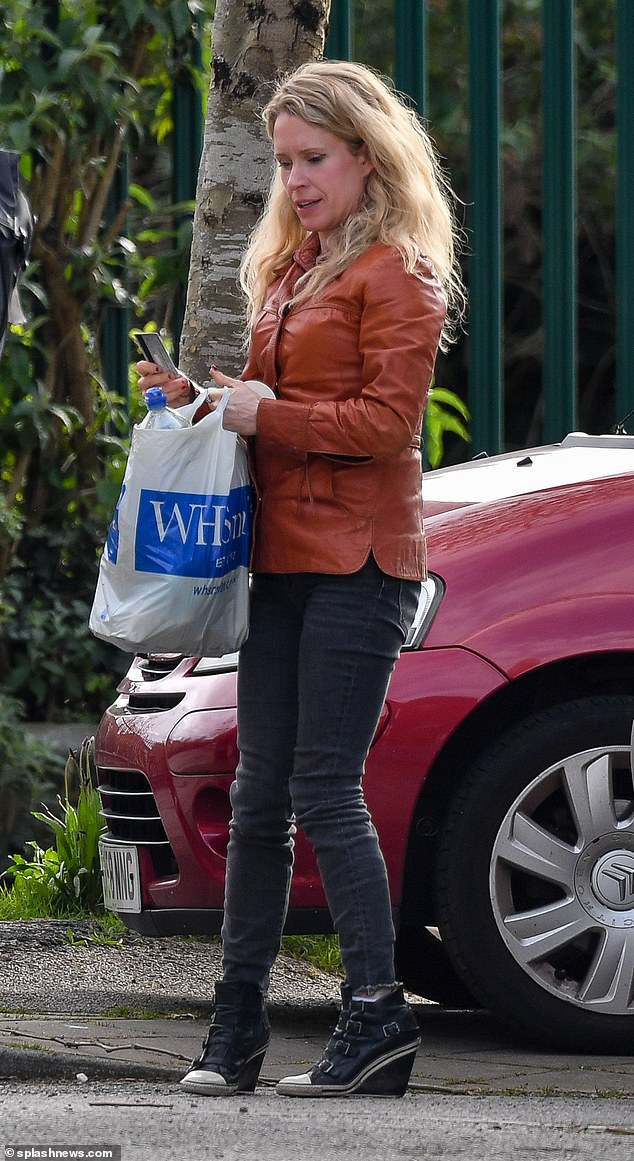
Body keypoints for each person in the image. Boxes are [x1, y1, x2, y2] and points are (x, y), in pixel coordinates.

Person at [137, 58, 465, 1098]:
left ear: (367, 158)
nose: (297, 181)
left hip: (359, 565)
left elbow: (383, 428)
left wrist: (261, 412)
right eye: (284, 164)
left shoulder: (397, 272)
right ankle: (234, 1033)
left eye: (313, 159)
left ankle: (375, 1017)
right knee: (257, 796)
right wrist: (205, 398)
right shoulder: (295, 268)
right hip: (277, 557)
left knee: (322, 789)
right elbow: (284, 406)